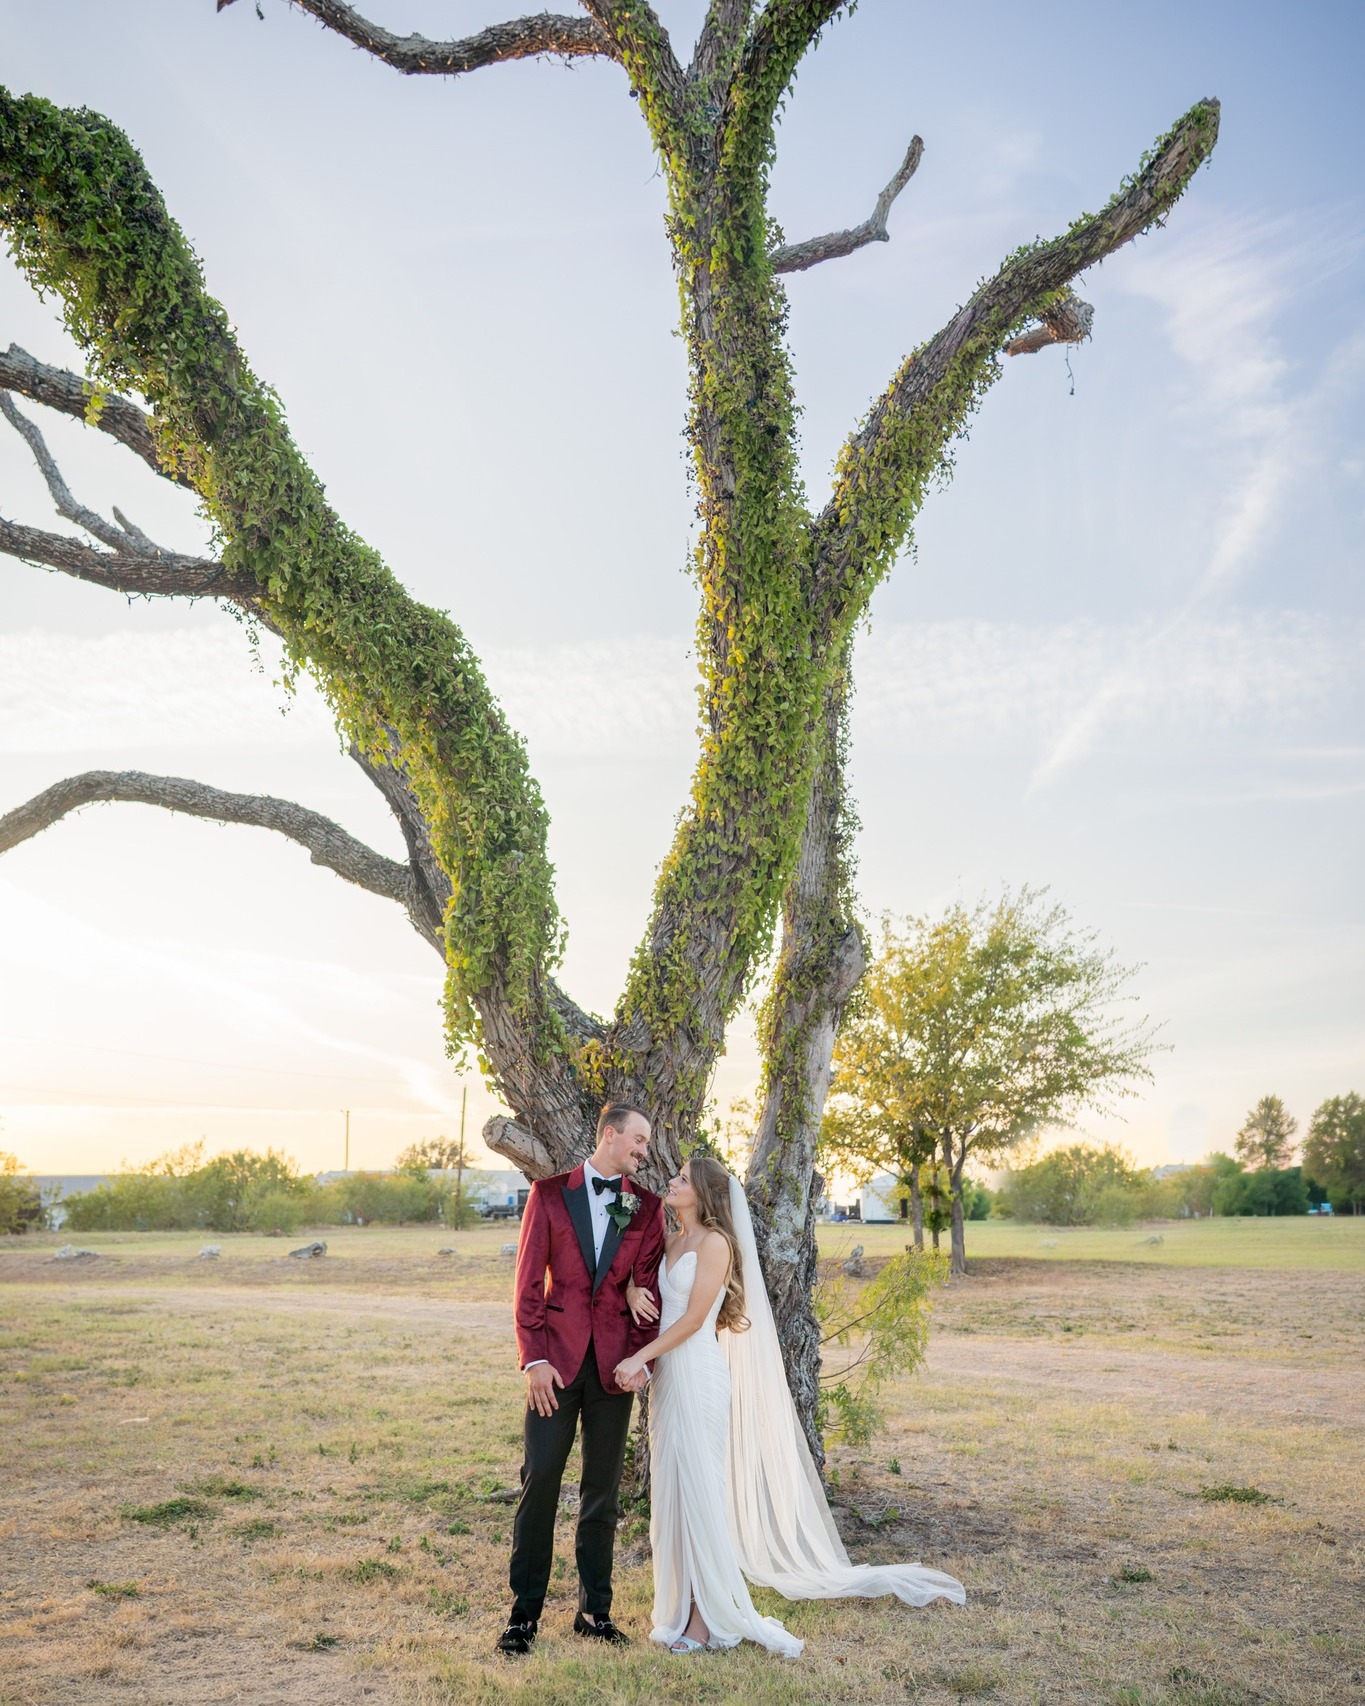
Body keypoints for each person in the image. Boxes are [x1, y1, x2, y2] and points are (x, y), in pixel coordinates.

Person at [613, 1154, 965, 1657]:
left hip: (698, 1373)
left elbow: (692, 1321)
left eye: (683, 1179)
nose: (672, 1182)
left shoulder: (716, 1245)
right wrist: (629, 1290)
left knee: (700, 1491)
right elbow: (640, 1283)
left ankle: (705, 1617)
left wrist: (637, 1359)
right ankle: (681, 1605)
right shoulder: (669, 1241)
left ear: (704, 1195)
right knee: (673, 1489)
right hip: (670, 1379)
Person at [498, 1102, 666, 1657]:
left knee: (603, 1491)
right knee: (539, 1480)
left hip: (614, 1371)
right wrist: (534, 1360)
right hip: (555, 1367)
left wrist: (640, 1360)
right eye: (639, 1140)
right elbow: (527, 1287)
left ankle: (595, 1611)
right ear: (611, 1136)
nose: (645, 1151)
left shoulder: (647, 1209)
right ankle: (524, 1615)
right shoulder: (548, 1195)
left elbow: (649, 1293)